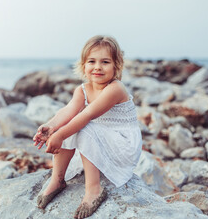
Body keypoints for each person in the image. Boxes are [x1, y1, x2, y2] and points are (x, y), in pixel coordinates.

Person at [33, 35, 142, 219]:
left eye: (105, 62)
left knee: (82, 127)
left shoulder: (115, 88)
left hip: (123, 144)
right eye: (92, 61)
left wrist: (60, 136)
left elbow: (87, 115)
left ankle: (94, 189)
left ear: (116, 66)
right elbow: (69, 110)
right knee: (68, 125)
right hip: (101, 136)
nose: (97, 67)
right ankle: (57, 180)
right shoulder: (82, 89)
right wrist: (51, 127)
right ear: (84, 65)